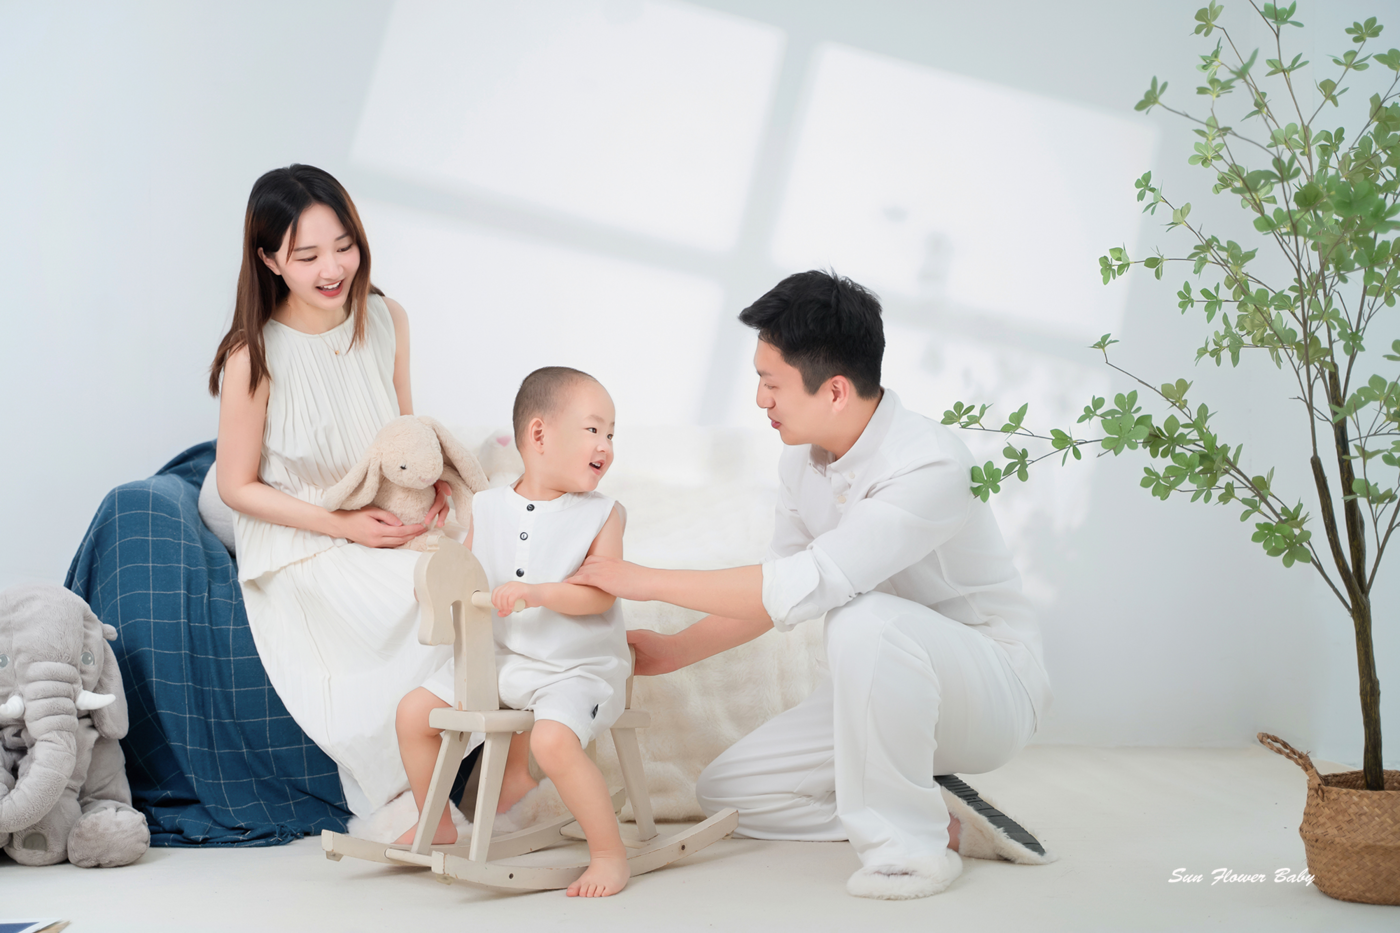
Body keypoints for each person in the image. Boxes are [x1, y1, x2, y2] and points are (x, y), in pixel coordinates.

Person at [567, 271, 1052, 900]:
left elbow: (812, 582)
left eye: (771, 383)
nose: (760, 399)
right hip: (883, 681)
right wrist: (677, 650)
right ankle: (948, 823)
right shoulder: (802, 459)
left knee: (861, 615)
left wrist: (641, 580)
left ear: (835, 390)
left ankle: (910, 853)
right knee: (732, 792)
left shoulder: (929, 463)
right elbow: (778, 587)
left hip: (990, 689)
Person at [210, 164, 459, 818]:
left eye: (344, 246)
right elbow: (236, 485)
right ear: (269, 260)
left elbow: (404, 432)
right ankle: (411, 797)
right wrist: (343, 525)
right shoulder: (253, 355)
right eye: (308, 255)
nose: (333, 268)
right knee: (427, 599)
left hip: (375, 506)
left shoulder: (386, 318)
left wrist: (431, 484)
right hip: (300, 527)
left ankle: (513, 778)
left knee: (494, 570)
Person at [396, 367, 633, 898]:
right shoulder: (487, 507)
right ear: (540, 434)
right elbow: (469, 574)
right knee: (413, 713)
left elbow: (601, 595)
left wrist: (541, 592)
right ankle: (437, 822)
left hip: (574, 669)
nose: (606, 445)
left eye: (611, 434)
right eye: (593, 429)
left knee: (551, 741)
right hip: (501, 661)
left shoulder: (603, 515)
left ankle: (608, 854)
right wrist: (435, 586)